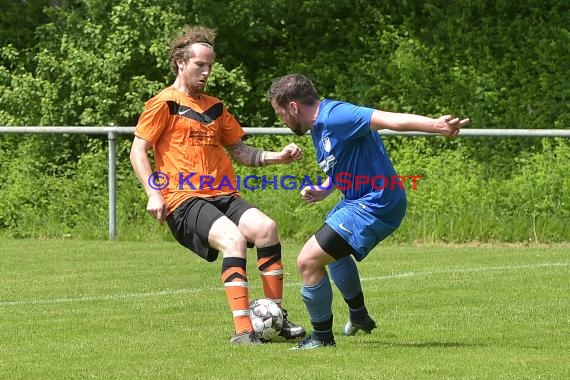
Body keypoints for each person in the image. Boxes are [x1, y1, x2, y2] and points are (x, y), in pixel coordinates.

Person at [129, 26, 306, 345]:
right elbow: (137, 149)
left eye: (210, 65)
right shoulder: (163, 104)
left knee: (267, 228)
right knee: (233, 240)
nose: (207, 72)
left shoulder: (215, 107)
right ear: (181, 63)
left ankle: (274, 318)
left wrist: (277, 158)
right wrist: (153, 193)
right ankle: (243, 331)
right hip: (183, 199)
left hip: (223, 194)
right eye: (200, 65)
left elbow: (240, 151)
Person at [266, 73, 470, 350]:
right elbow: (343, 162)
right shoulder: (319, 127)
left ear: (293, 107)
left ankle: (322, 338)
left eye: (281, 115)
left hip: (377, 202)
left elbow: (390, 119)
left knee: (307, 261)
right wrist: (326, 189)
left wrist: (436, 125)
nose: (283, 122)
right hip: (358, 199)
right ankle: (360, 317)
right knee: (332, 255)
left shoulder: (337, 115)